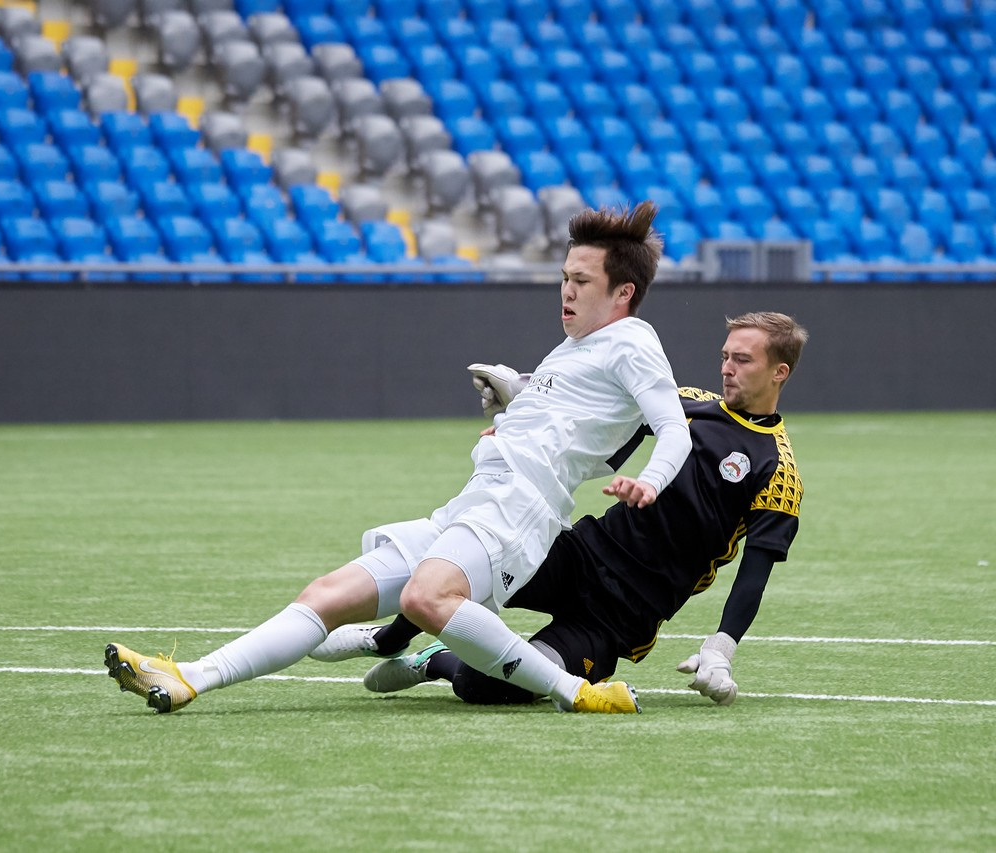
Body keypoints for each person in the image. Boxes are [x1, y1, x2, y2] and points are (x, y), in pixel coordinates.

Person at [104, 202, 692, 714]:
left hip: (519, 509)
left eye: (582, 281)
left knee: (426, 599)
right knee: (325, 595)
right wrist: (513, 398)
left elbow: (674, 430)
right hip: (476, 500)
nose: (566, 290)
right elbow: (573, 424)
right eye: (564, 277)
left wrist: (650, 480)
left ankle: (575, 692)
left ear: (623, 293)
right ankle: (189, 678)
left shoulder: (633, 340)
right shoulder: (575, 348)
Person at [326, 312, 807, 708]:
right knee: (470, 562)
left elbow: (754, 574)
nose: (727, 368)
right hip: (583, 554)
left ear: (779, 372)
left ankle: (433, 660)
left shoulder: (778, 471)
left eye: (742, 360)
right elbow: (598, 414)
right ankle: (390, 637)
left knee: (488, 687)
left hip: (625, 612)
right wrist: (520, 415)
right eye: (725, 356)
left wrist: (720, 649)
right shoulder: (691, 404)